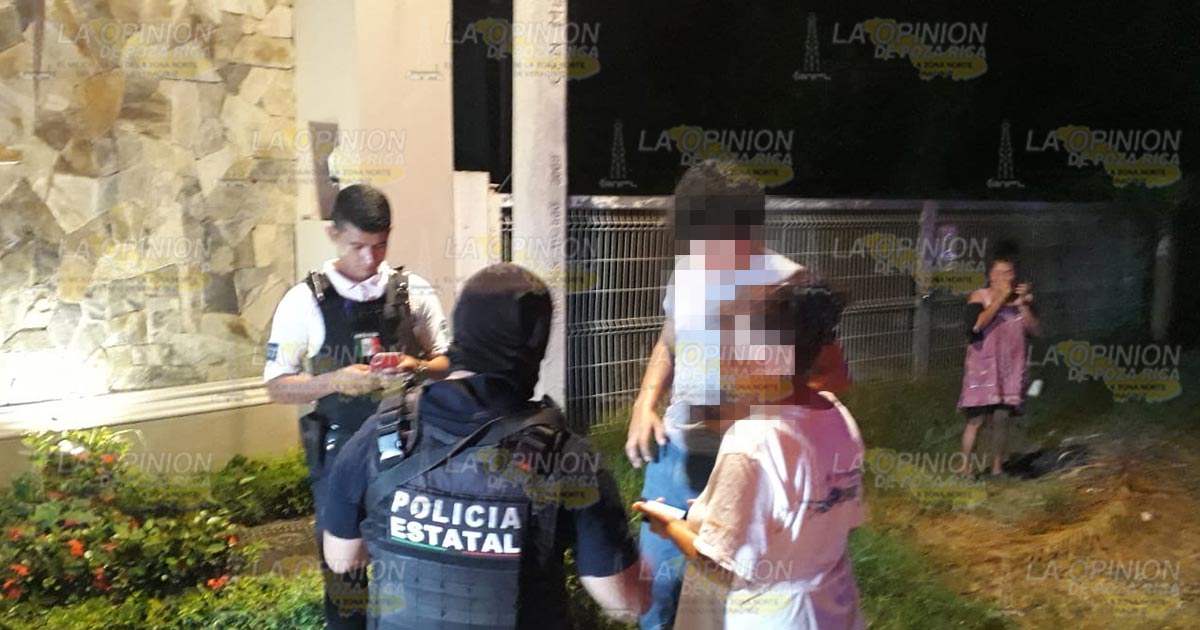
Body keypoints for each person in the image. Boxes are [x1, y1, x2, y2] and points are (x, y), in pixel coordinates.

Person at [321, 263, 649, 629]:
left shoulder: (382, 435)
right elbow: (625, 603)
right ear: (536, 341)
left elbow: (341, 558)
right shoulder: (567, 457)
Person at [624, 160, 851, 629]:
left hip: (749, 467)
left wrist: (753, 415)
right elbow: (669, 341)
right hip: (676, 456)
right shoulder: (687, 273)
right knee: (658, 594)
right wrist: (644, 403)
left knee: (724, 595)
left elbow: (833, 376)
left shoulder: (787, 288)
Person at [263, 184, 451, 629]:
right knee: (345, 579)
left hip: (411, 452)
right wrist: (334, 381)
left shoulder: (412, 291)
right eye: (358, 246)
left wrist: (417, 367)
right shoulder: (304, 301)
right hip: (341, 455)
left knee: (417, 569)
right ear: (333, 234)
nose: (370, 258)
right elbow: (276, 386)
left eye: (380, 245)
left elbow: (446, 361)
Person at [633, 271, 866, 630]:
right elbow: (810, 514)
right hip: (833, 608)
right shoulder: (837, 415)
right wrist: (717, 509)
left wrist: (671, 527)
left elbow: (723, 568)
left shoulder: (751, 440)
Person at [956, 242, 1040, 477]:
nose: (1004, 277)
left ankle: (997, 468)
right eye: (999, 272)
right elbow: (976, 326)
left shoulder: (1022, 300)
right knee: (976, 420)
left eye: (1008, 272)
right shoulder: (979, 296)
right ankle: (964, 468)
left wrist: (1023, 305)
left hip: (1009, 371)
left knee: (1002, 419)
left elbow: (1036, 330)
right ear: (990, 275)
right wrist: (1000, 298)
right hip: (982, 371)